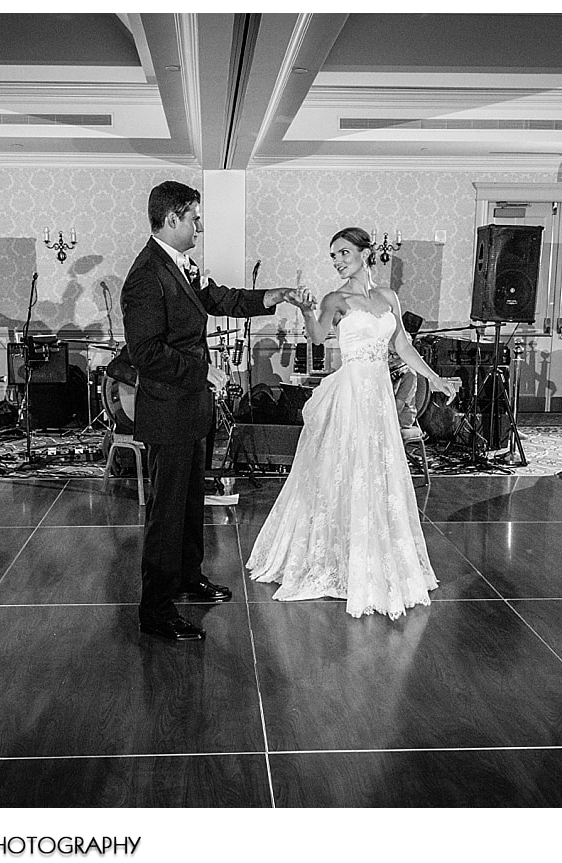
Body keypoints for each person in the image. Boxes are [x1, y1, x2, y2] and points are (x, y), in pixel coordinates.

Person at [245, 227, 461, 620]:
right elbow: (316, 336)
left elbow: (402, 345)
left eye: (344, 252)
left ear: (366, 253)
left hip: (378, 395)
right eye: (333, 256)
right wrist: (308, 311)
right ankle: (338, 560)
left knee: (378, 472)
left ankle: (375, 557)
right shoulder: (336, 299)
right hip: (351, 392)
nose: (338, 260)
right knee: (343, 472)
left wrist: (434, 377)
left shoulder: (387, 297)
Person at [121, 181, 301, 642]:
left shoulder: (180, 265)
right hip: (168, 411)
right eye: (195, 218)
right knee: (166, 512)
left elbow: (219, 298)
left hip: (190, 410)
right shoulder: (146, 276)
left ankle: (187, 577)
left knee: (190, 501)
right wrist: (201, 372)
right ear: (173, 218)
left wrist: (270, 297)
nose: (199, 226)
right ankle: (156, 611)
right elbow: (145, 353)